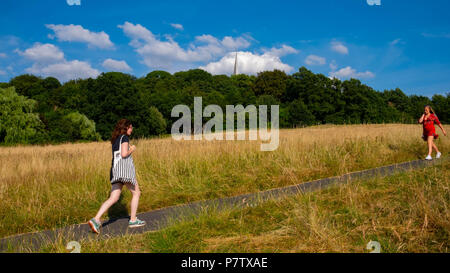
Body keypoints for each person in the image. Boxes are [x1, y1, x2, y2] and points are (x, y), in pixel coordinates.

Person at [88, 119, 145, 234]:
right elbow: (124, 154)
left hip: (115, 171)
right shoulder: (124, 138)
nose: (132, 129)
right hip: (124, 172)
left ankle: (96, 219)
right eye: (131, 127)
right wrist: (132, 149)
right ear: (126, 128)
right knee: (136, 193)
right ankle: (133, 220)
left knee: (113, 198)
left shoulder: (115, 140)